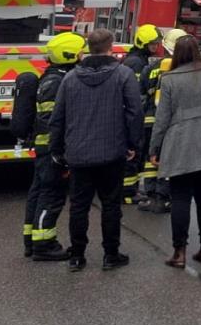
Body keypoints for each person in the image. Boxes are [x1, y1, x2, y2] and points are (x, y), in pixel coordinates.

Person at [49, 27, 143, 271]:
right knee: (111, 205)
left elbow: (57, 116)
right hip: (112, 152)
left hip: (78, 153)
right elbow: (135, 113)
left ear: (88, 49)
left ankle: (77, 255)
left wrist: (57, 149)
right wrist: (134, 144)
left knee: (79, 206)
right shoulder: (123, 75)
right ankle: (111, 254)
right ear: (110, 47)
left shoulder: (70, 78)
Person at [150, 34, 201, 268]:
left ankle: (179, 252)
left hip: (181, 141)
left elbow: (162, 118)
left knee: (180, 198)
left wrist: (154, 148)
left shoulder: (169, 80)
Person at [11, 32, 85, 260]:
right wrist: (60, 153)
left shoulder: (50, 78)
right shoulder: (58, 82)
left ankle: (31, 240)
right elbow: (53, 121)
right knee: (51, 195)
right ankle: (44, 244)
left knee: (38, 192)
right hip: (52, 150)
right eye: (81, 51)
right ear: (70, 54)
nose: (83, 55)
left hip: (44, 149)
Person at [137, 29, 185, 213]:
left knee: (151, 157)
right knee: (168, 158)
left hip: (150, 120)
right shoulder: (181, 69)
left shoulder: (152, 68)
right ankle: (164, 197)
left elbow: (142, 93)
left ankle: (151, 195)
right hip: (171, 122)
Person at [121, 24, 165, 205]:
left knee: (137, 153)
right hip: (134, 115)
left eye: (156, 44)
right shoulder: (137, 63)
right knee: (134, 154)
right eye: (152, 44)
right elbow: (136, 93)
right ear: (143, 44)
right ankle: (127, 192)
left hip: (133, 114)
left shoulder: (136, 59)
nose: (155, 47)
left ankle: (131, 189)